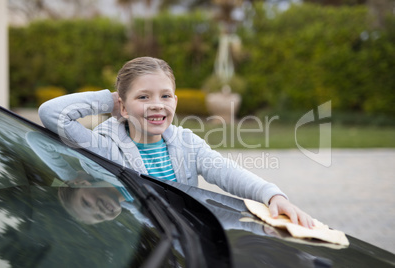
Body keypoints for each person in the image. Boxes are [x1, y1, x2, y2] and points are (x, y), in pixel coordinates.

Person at [39, 56, 314, 228]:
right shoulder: (103, 149)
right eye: (144, 97)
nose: (157, 105)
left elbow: (226, 171)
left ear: (175, 102)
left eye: (165, 96)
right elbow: (51, 114)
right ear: (123, 107)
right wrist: (110, 101)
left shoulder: (186, 142)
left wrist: (272, 195)